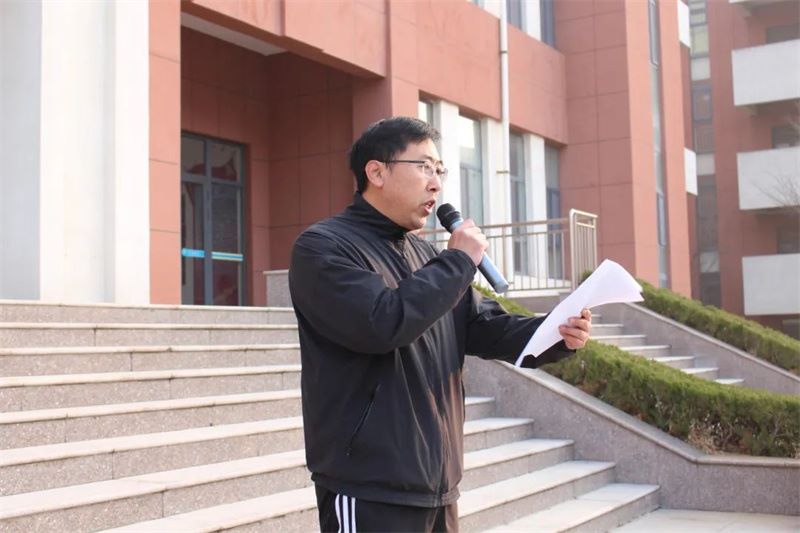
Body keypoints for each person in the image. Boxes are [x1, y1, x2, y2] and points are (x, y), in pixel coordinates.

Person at [289, 116, 592, 532]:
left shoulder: (428, 257)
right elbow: (381, 323)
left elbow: (484, 326)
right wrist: (458, 261)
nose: (436, 184)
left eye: (440, 171)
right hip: (367, 485)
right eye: (424, 167)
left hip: (437, 483)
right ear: (376, 172)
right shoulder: (324, 247)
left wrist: (557, 333)